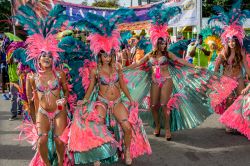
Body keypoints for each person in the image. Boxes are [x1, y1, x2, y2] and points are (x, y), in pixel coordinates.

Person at [62, 10, 151, 166]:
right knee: (97, 127)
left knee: (127, 127)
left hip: (117, 102)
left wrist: (131, 99)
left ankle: (127, 150)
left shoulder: (117, 67)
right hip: (101, 101)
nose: (108, 57)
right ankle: (98, 155)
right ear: (100, 55)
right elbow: (90, 88)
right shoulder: (95, 70)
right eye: (105, 55)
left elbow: (122, 84)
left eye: (110, 54)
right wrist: (85, 100)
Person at [15, 4, 69, 166]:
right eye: (43, 56)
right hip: (42, 112)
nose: (47, 58)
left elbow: (66, 91)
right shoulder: (31, 77)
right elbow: (30, 100)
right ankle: (46, 163)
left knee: (60, 141)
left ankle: (60, 162)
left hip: (59, 112)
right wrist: (33, 118)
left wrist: (64, 99)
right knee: (41, 141)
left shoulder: (59, 74)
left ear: (53, 59)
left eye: (50, 56)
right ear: (38, 59)